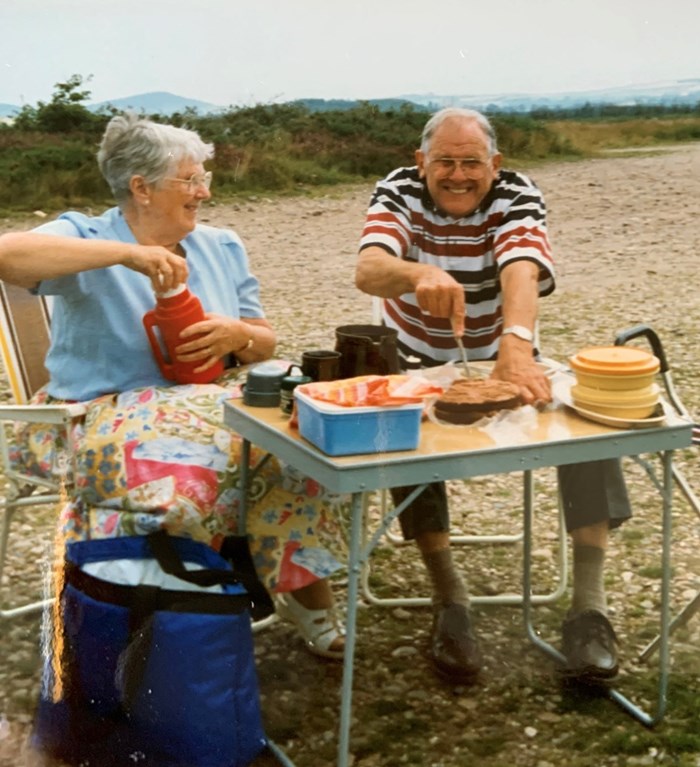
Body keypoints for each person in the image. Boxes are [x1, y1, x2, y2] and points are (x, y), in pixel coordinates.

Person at [0, 112, 345, 659]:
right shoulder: (88, 237)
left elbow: (263, 341)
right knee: (184, 473)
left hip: (203, 403)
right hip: (91, 413)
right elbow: (6, 254)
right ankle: (168, 621)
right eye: (191, 179)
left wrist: (237, 334)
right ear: (142, 187)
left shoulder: (220, 245)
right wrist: (128, 254)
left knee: (295, 447)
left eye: (203, 177)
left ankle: (301, 591)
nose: (205, 191)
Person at [355, 107, 630, 683]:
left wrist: (517, 344)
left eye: (471, 163)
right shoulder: (398, 189)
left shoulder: (518, 192)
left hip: (502, 344)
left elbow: (522, 269)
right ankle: (450, 600)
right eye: (445, 163)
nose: (458, 175)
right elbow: (370, 268)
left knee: (584, 422)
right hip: (415, 351)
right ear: (421, 161)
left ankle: (589, 608)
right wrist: (416, 276)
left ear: (495, 164)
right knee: (404, 422)